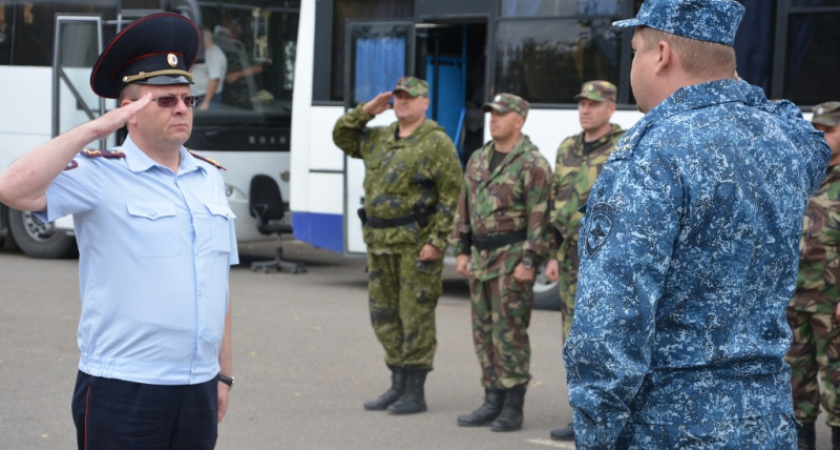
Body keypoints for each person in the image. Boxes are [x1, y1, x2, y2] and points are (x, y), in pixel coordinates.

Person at [562, 0, 831, 447]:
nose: (633, 66)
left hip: (671, 427)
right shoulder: (782, 139)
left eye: (635, 53)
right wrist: (727, 81)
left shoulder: (651, 153)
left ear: (662, 54)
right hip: (765, 422)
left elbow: (610, 326)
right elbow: (810, 138)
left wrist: (596, 434)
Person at [0, 13, 238, 449]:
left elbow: (216, 284)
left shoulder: (208, 177)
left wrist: (222, 373)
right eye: (164, 101)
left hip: (198, 386)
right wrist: (96, 128)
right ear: (130, 110)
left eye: (187, 99)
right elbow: (12, 188)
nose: (182, 108)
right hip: (124, 387)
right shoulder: (99, 174)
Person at [332, 76, 462, 415]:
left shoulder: (436, 142)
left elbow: (452, 194)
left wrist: (437, 241)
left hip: (415, 246)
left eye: (410, 97)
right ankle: (397, 384)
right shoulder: (378, 138)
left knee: (415, 316)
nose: (402, 102)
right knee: (384, 315)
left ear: (425, 102)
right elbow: (341, 136)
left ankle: (415, 392)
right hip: (380, 243)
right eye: (399, 97)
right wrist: (367, 111)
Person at [450, 93, 552, 432]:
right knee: (483, 332)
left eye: (500, 114)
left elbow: (540, 218)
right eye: (491, 113)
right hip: (480, 258)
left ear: (519, 120)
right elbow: (464, 206)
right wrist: (461, 250)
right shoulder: (479, 157)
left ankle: (512, 406)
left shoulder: (532, 163)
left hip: (512, 261)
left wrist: (530, 261)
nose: (492, 119)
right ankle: (491, 399)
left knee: (509, 332)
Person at [545, 80, 625, 442]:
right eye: (581, 103)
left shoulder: (624, 146)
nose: (585, 110)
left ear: (611, 107)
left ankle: (606, 416)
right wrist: (551, 251)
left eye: (593, 104)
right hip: (569, 257)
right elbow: (554, 202)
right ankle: (580, 414)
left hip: (605, 261)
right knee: (572, 339)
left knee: (605, 339)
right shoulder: (567, 148)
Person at [786, 101, 840, 450]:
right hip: (794, 296)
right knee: (794, 377)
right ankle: (802, 440)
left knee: (837, 379)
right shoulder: (801, 173)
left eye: (829, 130)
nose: (820, 136)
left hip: (831, 300)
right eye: (816, 129)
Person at [191, 26, 228, 110]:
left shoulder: (214, 55)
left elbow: (214, 79)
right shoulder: (204, 52)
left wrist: (206, 102)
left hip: (207, 98)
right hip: (195, 97)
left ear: (206, 37)